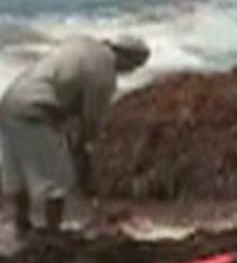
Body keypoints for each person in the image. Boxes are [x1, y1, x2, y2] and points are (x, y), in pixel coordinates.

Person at [0, 35, 151, 235]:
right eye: (135, 66)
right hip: (38, 107)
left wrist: (75, 142)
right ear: (128, 57)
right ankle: (53, 232)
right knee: (58, 177)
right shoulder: (104, 73)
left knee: (17, 171)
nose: (132, 71)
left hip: (10, 99)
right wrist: (84, 146)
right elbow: (92, 121)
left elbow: (65, 84)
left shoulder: (84, 43)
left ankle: (21, 225)